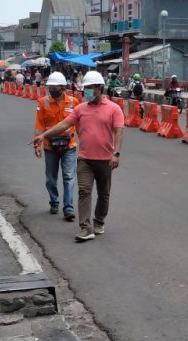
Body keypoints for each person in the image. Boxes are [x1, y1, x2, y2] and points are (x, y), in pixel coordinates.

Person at [31, 70, 124, 242]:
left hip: (105, 159)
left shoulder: (114, 109)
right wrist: (44, 135)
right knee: (84, 191)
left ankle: (99, 221)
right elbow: (64, 123)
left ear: (99, 87)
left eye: (89, 88)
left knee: (103, 194)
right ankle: (85, 228)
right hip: (84, 159)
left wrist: (116, 153)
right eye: (85, 88)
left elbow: (118, 132)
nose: (86, 91)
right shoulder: (80, 108)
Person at [33, 72, 81, 221]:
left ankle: (68, 207)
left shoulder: (74, 102)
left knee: (68, 176)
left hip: (69, 146)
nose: (52, 90)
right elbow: (39, 126)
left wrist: (85, 142)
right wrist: (37, 145)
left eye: (55, 87)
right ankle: (54, 201)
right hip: (50, 146)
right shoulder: (43, 102)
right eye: (50, 87)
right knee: (51, 179)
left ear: (63, 87)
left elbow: (80, 125)